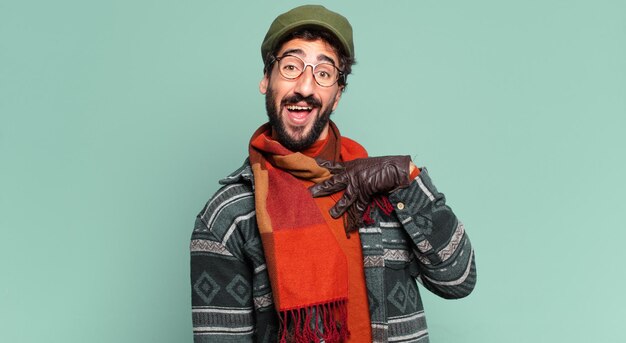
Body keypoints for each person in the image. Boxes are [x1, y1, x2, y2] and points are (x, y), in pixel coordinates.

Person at [190, 5, 476, 343]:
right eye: (291, 67)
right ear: (267, 79)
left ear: (337, 95)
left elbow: (458, 280)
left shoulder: (385, 191)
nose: (306, 88)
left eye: (324, 73)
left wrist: (408, 177)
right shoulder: (227, 216)